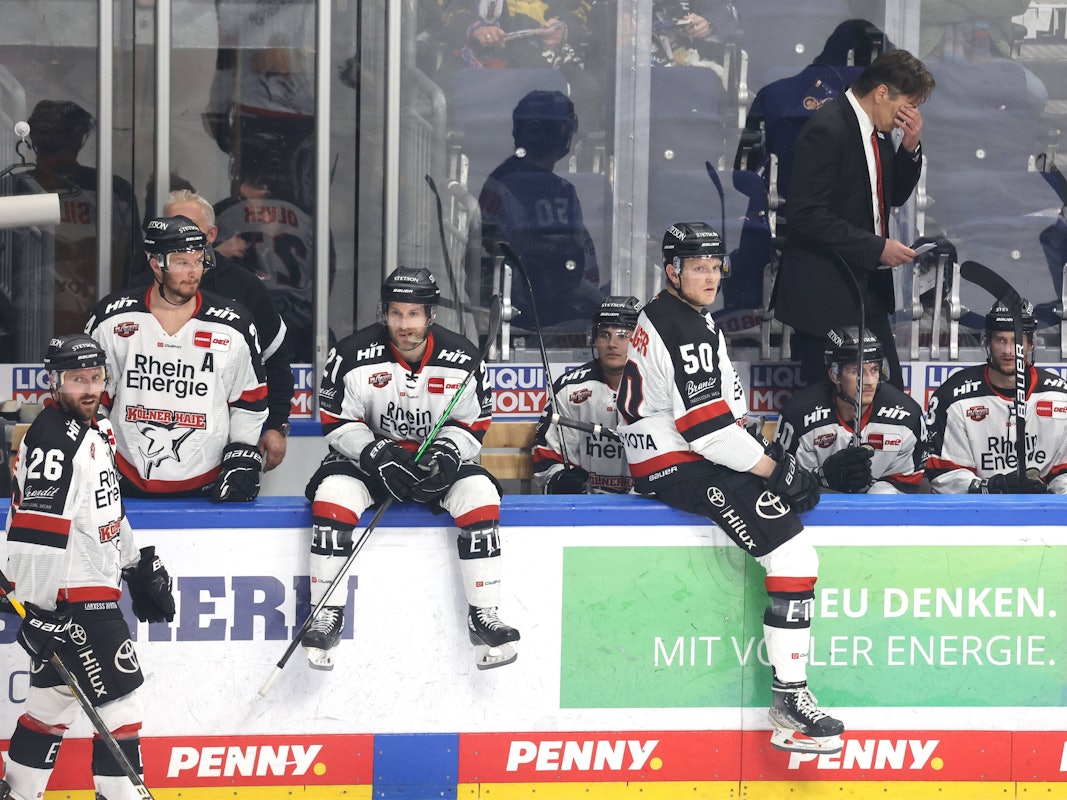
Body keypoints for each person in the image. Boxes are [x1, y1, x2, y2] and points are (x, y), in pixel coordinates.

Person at [616, 221, 844, 755]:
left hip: (679, 455)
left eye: (716, 267)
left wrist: (766, 458)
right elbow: (707, 432)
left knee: (792, 546)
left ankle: (789, 702)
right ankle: (789, 702)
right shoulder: (685, 327)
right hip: (677, 464)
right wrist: (774, 470)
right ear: (672, 270)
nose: (711, 276)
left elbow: (723, 418)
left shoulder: (678, 315)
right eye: (698, 267)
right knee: (795, 555)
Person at [301, 266, 519, 671]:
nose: (404, 324)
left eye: (413, 314)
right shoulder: (350, 354)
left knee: (481, 494)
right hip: (369, 462)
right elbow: (337, 423)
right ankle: (325, 613)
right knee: (333, 495)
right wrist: (376, 454)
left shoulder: (463, 358)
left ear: (431, 315)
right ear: (385, 312)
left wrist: (449, 453)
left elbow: (472, 424)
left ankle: (483, 613)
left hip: (432, 462)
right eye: (396, 313)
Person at [1, 333, 175, 800]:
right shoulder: (54, 439)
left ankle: (18, 793)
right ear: (54, 382)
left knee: (50, 705)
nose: (90, 387)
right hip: (73, 600)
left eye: (95, 376)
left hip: (92, 588)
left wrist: (135, 565)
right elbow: (37, 532)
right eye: (77, 379)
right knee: (121, 706)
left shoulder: (98, 429)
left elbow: (109, 510)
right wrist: (39, 612)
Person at [774, 49, 936, 390]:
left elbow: (894, 195)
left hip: (866, 291)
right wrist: (876, 247)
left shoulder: (876, 130)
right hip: (826, 296)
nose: (911, 114)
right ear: (881, 93)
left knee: (889, 399)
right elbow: (805, 213)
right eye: (909, 104)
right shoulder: (828, 127)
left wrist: (910, 146)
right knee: (829, 408)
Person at [84, 215, 268, 499]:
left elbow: (248, 401)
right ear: (156, 263)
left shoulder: (234, 323)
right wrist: (93, 454)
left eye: (199, 260)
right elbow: (93, 400)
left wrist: (242, 453)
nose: (194, 272)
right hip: (122, 480)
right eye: (183, 262)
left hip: (207, 484)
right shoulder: (112, 318)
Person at [162, 189, 294, 471]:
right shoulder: (139, 289)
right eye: (172, 227)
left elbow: (276, 363)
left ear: (211, 235)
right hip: (158, 443)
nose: (179, 237)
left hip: (230, 444)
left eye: (190, 229)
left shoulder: (246, 288)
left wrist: (276, 427)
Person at [473, 90, 604, 338]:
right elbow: (489, 263)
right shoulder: (504, 184)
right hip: (522, 313)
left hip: (558, 304)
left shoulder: (561, 189)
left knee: (610, 313)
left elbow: (577, 263)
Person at [20, 100, 145, 334]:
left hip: (94, 319)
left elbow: (130, 262)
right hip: (24, 319)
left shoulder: (111, 191)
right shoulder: (10, 190)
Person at [926, 298, 1067, 494]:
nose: (1009, 350)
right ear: (988, 342)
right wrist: (990, 488)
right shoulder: (952, 397)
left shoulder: (1060, 396)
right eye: (1000, 340)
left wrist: (1048, 496)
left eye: (1016, 341)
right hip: (976, 514)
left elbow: (1064, 474)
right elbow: (944, 477)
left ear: (1031, 345)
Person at [775, 327, 926, 494]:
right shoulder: (798, 415)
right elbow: (784, 484)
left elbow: (906, 486)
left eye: (874, 370)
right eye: (857, 371)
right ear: (835, 374)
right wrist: (823, 478)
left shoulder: (907, 416)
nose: (869, 382)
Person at [533, 295, 640, 494]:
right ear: (595, 339)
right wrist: (560, 478)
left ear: (640, 339)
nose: (612, 344)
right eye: (605, 335)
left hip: (643, 507)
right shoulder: (569, 388)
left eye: (623, 335)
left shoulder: (661, 389)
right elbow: (548, 454)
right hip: (586, 508)